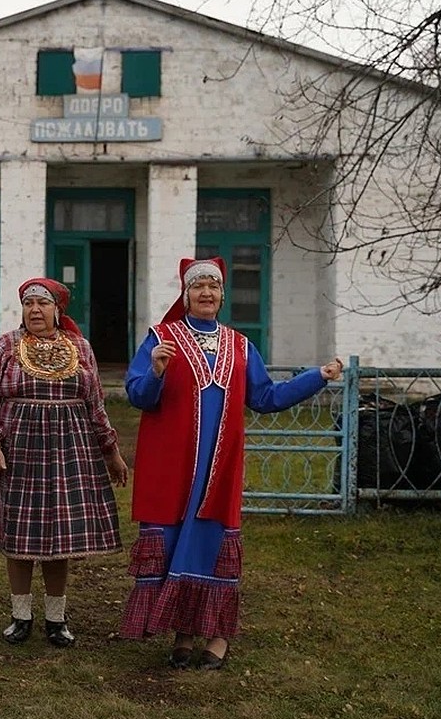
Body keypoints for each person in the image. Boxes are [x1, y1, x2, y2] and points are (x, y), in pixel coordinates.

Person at [120, 257, 344, 670]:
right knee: (174, 543)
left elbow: (265, 398)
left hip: (218, 469)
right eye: (198, 286)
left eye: (214, 286)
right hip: (172, 468)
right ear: (185, 295)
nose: (206, 293)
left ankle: (218, 635)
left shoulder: (241, 346)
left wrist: (318, 376)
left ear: (222, 295)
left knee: (210, 541)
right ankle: (184, 633)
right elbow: (139, 396)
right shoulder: (160, 338)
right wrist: (154, 372)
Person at [0, 277, 128, 648]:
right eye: (28, 304)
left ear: (58, 309)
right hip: (19, 451)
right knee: (20, 536)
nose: (35, 310)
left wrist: (112, 452)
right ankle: (21, 616)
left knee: (60, 537)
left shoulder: (79, 346)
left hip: (70, 451)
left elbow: (96, 406)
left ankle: (56, 619)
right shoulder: (7, 345)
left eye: (43, 304)